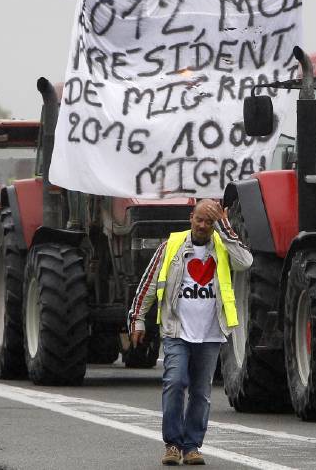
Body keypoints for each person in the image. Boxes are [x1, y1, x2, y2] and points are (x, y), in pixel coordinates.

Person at [128, 199, 253, 466]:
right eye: (200, 220)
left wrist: (224, 226)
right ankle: (172, 444)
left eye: (209, 222)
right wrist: (137, 319)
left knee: (201, 392)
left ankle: (192, 446)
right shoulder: (171, 246)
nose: (203, 226)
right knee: (174, 383)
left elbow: (246, 261)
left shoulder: (221, 247)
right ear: (191, 218)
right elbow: (149, 284)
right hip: (177, 331)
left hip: (210, 334)